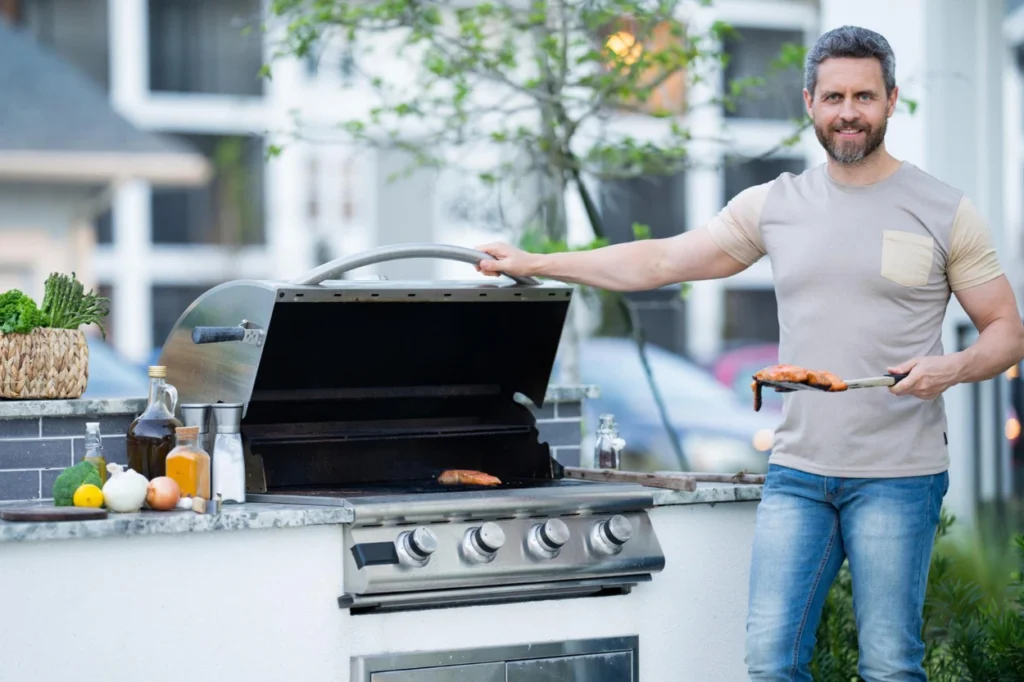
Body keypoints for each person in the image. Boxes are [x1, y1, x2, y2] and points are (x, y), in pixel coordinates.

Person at [474, 24, 1024, 682]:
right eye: (834, 97)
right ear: (809, 102)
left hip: (898, 477)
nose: (849, 112)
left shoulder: (943, 209)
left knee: (889, 667)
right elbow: (659, 259)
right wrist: (535, 261)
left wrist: (950, 368)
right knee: (770, 662)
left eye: (865, 97)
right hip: (797, 472)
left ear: (892, 100)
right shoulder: (775, 205)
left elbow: (1005, 333)